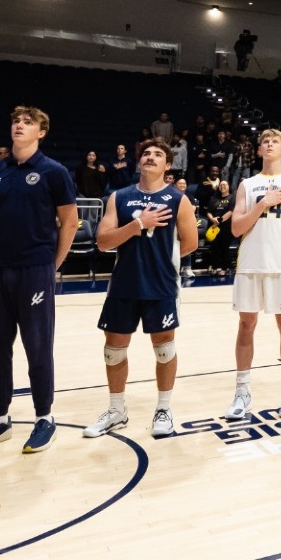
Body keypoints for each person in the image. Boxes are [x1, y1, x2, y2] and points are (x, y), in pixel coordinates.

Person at [0, 107, 79, 454]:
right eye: (16, 121)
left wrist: (49, 266)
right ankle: (0, 419)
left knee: (37, 345)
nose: (19, 125)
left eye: (28, 122)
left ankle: (44, 417)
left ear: (41, 132)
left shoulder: (54, 172)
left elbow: (70, 223)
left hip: (35, 269)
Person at [78, 140, 198, 439]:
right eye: (146, 153)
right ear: (138, 161)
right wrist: (138, 224)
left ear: (167, 165)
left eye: (158, 155)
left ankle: (164, 408)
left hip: (161, 286)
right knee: (113, 352)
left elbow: (191, 243)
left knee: (164, 348)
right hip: (123, 284)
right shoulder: (119, 197)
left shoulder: (178, 199)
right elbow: (104, 242)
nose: (151, 157)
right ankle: (117, 410)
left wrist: (159, 260)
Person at [228, 129, 281, 419]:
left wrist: (280, 239)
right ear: (259, 150)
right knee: (246, 324)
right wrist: (264, 203)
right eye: (265, 142)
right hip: (250, 263)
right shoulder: (247, 185)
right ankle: (242, 392)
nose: (269, 144)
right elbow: (236, 228)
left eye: (275, 141)